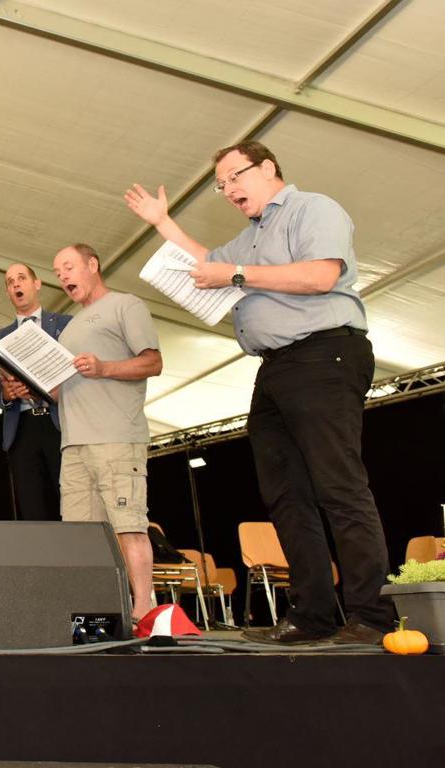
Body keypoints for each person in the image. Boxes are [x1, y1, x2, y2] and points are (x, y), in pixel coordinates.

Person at [124, 140, 395, 643]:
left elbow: (320, 275)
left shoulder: (312, 208)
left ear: (268, 167)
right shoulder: (248, 238)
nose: (228, 190)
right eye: (221, 184)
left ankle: (372, 617)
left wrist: (238, 274)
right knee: (287, 495)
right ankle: (312, 615)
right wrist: (163, 222)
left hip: (325, 353)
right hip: (275, 367)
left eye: (235, 177)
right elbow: (206, 261)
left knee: (338, 485)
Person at [52, 243, 161, 620]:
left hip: (116, 437)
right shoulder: (69, 326)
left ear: (92, 265)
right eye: (58, 272)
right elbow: (62, 386)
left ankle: (142, 611)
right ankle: (95, 616)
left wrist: (104, 368)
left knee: (129, 526)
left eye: (68, 267)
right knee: (80, 539)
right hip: (73, 444)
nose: (63, 276)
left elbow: (153, 362)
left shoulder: (125, 305)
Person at [0, 263, 71, 521]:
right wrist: (6, 393)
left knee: (71, 502)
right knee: (32, 508)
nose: (16, 285)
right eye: (10, 282)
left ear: (37, 284)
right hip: (21, 430)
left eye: (21, 278)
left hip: (60, 424)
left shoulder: (67, 325)